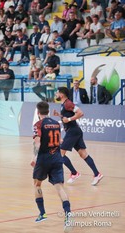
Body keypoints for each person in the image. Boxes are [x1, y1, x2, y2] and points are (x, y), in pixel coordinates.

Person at [31, 101, 71, 232]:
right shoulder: (55, 123)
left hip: (43, 159)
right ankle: (68, 216)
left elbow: (37, 142)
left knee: (37, 184)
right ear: (48, 111)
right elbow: (59, 140)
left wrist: (34, 157)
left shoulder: (38, 124)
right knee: (59, 187)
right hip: (57, 158)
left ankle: (42, 214)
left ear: (38, 112)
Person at [53, 87, 104, 185]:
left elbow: (80, 113)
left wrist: (68, 120)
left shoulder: (68, 103)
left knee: (59, 154)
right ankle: (97, 174)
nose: (56, 94)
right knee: (83, 154)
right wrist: (59, 115)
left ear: (61, 94)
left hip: (72, 131)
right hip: (75, 131)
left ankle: (74, 173)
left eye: (57, 93)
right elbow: (67, 116)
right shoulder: (64, 104)